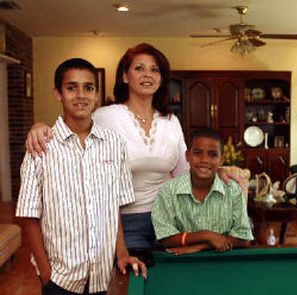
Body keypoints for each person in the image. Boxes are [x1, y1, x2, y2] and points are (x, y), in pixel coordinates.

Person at [24, 43, 242, 251]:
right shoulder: (106, 116)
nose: (147, 74)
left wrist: (217, 169)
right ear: (125, 76)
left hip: (171, 219)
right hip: (126, 224)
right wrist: (39, 127)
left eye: (154, 69)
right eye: (139, 68)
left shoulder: (170, 121)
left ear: (161, 78)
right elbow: (71, 128)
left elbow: (184, 173)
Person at [16, 58, 146, 295]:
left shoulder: (114, 143)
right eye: (71, 87)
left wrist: (122, 253)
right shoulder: (40, 146)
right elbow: (28, 216)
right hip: (59, 277)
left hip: (101, 275)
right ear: (58, 93)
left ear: (96, 94)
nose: (81, 95)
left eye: (88, 87)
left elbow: (113, 206)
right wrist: (46, 272)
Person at [151, 128, 253, 256]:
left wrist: (203, 245)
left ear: (222, 160)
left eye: (213, 155)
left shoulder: (233, 190)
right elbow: (165, 238)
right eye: (198, 153)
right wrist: (206, 235)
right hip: (182, 263)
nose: (204, 160)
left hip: (224, 262)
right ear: (188, 156)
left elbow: (244, 238)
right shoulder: (169, 191)